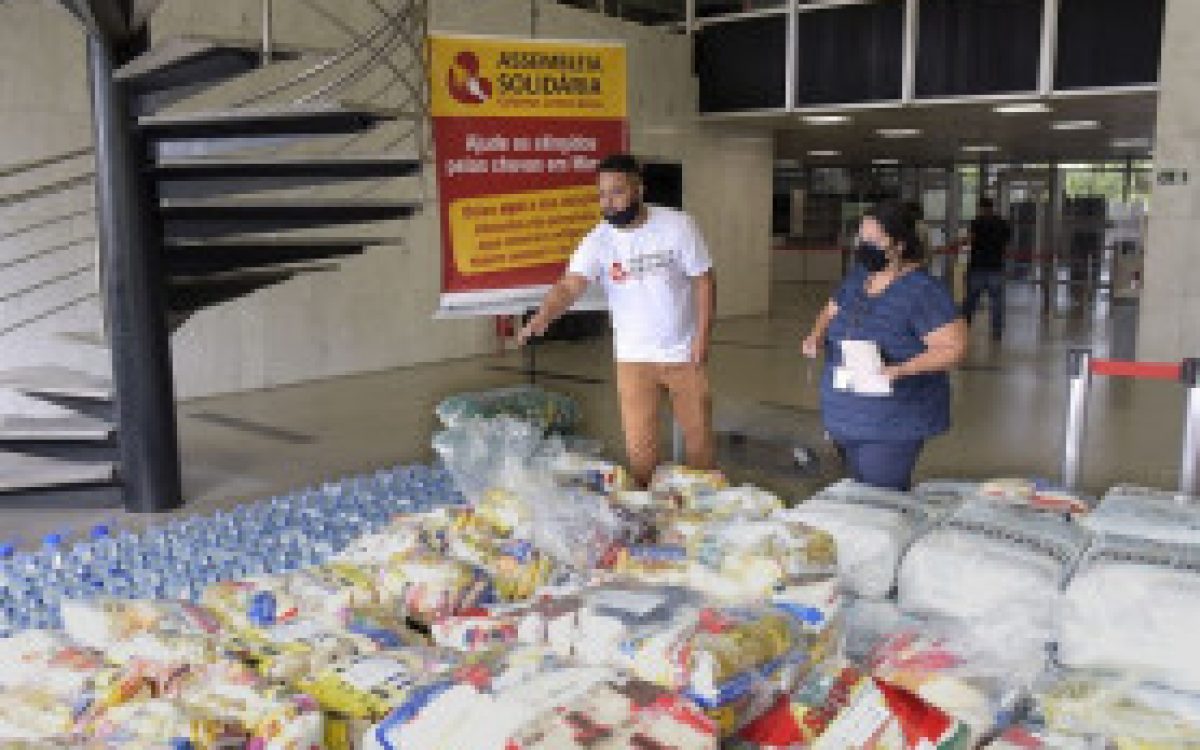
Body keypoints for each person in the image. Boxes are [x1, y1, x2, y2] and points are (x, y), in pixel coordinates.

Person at [517, 154, 716, 488]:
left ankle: (707, 502)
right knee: (641, 447)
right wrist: (544, 314)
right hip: (632, 357)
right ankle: (649, 506)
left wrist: (703, 336)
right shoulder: (598, 241)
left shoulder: (678, 226)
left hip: (683, 352)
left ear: (639, 189)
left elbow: (703, 280)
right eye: (602, 194)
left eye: (617, 192)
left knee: (699, 439)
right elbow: (570, 285)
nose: (608, 203)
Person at [801, 200, 967, 491]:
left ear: (899, 245)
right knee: (859, 493)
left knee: (879, 500)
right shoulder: (858, 279)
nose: (864, 246)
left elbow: (954, 348)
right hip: (846, 415)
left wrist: (900, 370)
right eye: (861, 238)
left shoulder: (923, 291)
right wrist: (815, 335)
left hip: (892, 422)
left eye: (873, 240)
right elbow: (830, 310)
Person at [962, 196, 1012, 340]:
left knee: (971, 300)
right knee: (996, 302)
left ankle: (964, 326)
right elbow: (1006, 242)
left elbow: (970, 239)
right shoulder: (1002, 223)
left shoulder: (977, 222)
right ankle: (996, 331)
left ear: (981, 208)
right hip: (995, 267)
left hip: (978, 266)